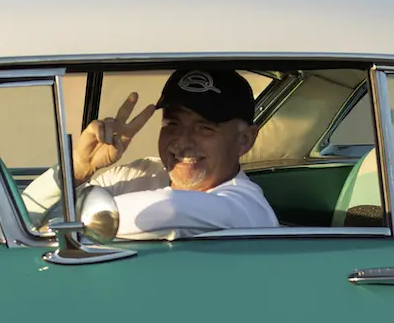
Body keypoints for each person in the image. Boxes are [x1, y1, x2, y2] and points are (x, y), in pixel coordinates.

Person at [21, 68, 279, 239]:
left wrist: (65, 224)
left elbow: (168, 209)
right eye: (172, 124)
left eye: (204, 128)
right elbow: (27, 219)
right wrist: (76, 170)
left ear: (245, 140)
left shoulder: (246, 208)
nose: (182, 141)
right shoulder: (141, 173)